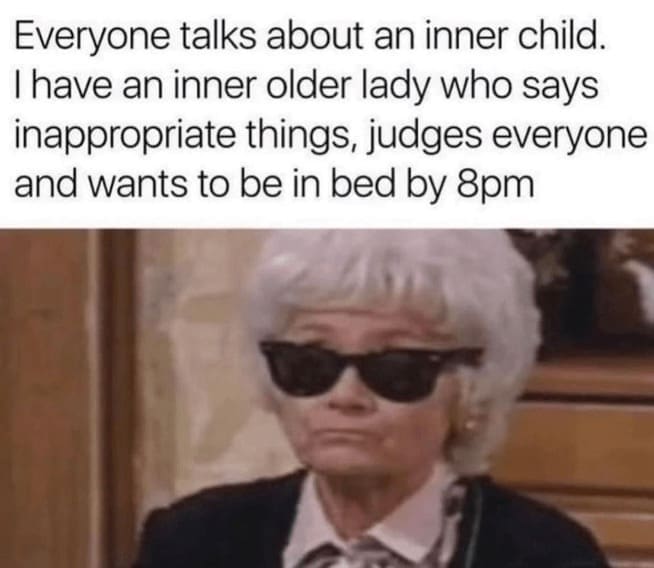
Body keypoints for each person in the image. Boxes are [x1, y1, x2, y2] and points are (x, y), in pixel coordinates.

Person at [134, 230, 608, 568]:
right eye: (310, 364)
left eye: (395, 369)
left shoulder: (547, 555)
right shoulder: (192, 542)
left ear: (472, 388)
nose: (345, 396)